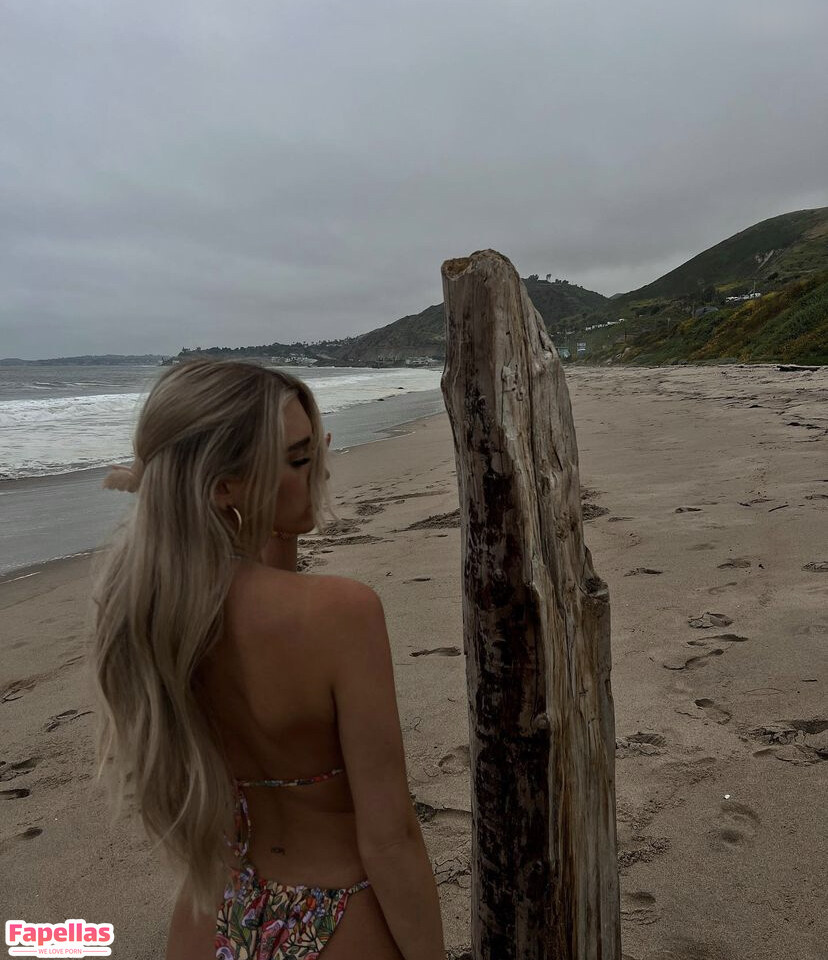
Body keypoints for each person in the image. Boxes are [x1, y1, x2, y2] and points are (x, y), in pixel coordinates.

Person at [89, 359, 447, 959]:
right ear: (224, 487)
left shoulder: (151, 615)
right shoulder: (342, 613)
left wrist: (281, 512)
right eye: (300, 460)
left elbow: (253, 597)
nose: (320, 470)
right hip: (337, 918)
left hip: (215, 912)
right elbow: (390, 837)